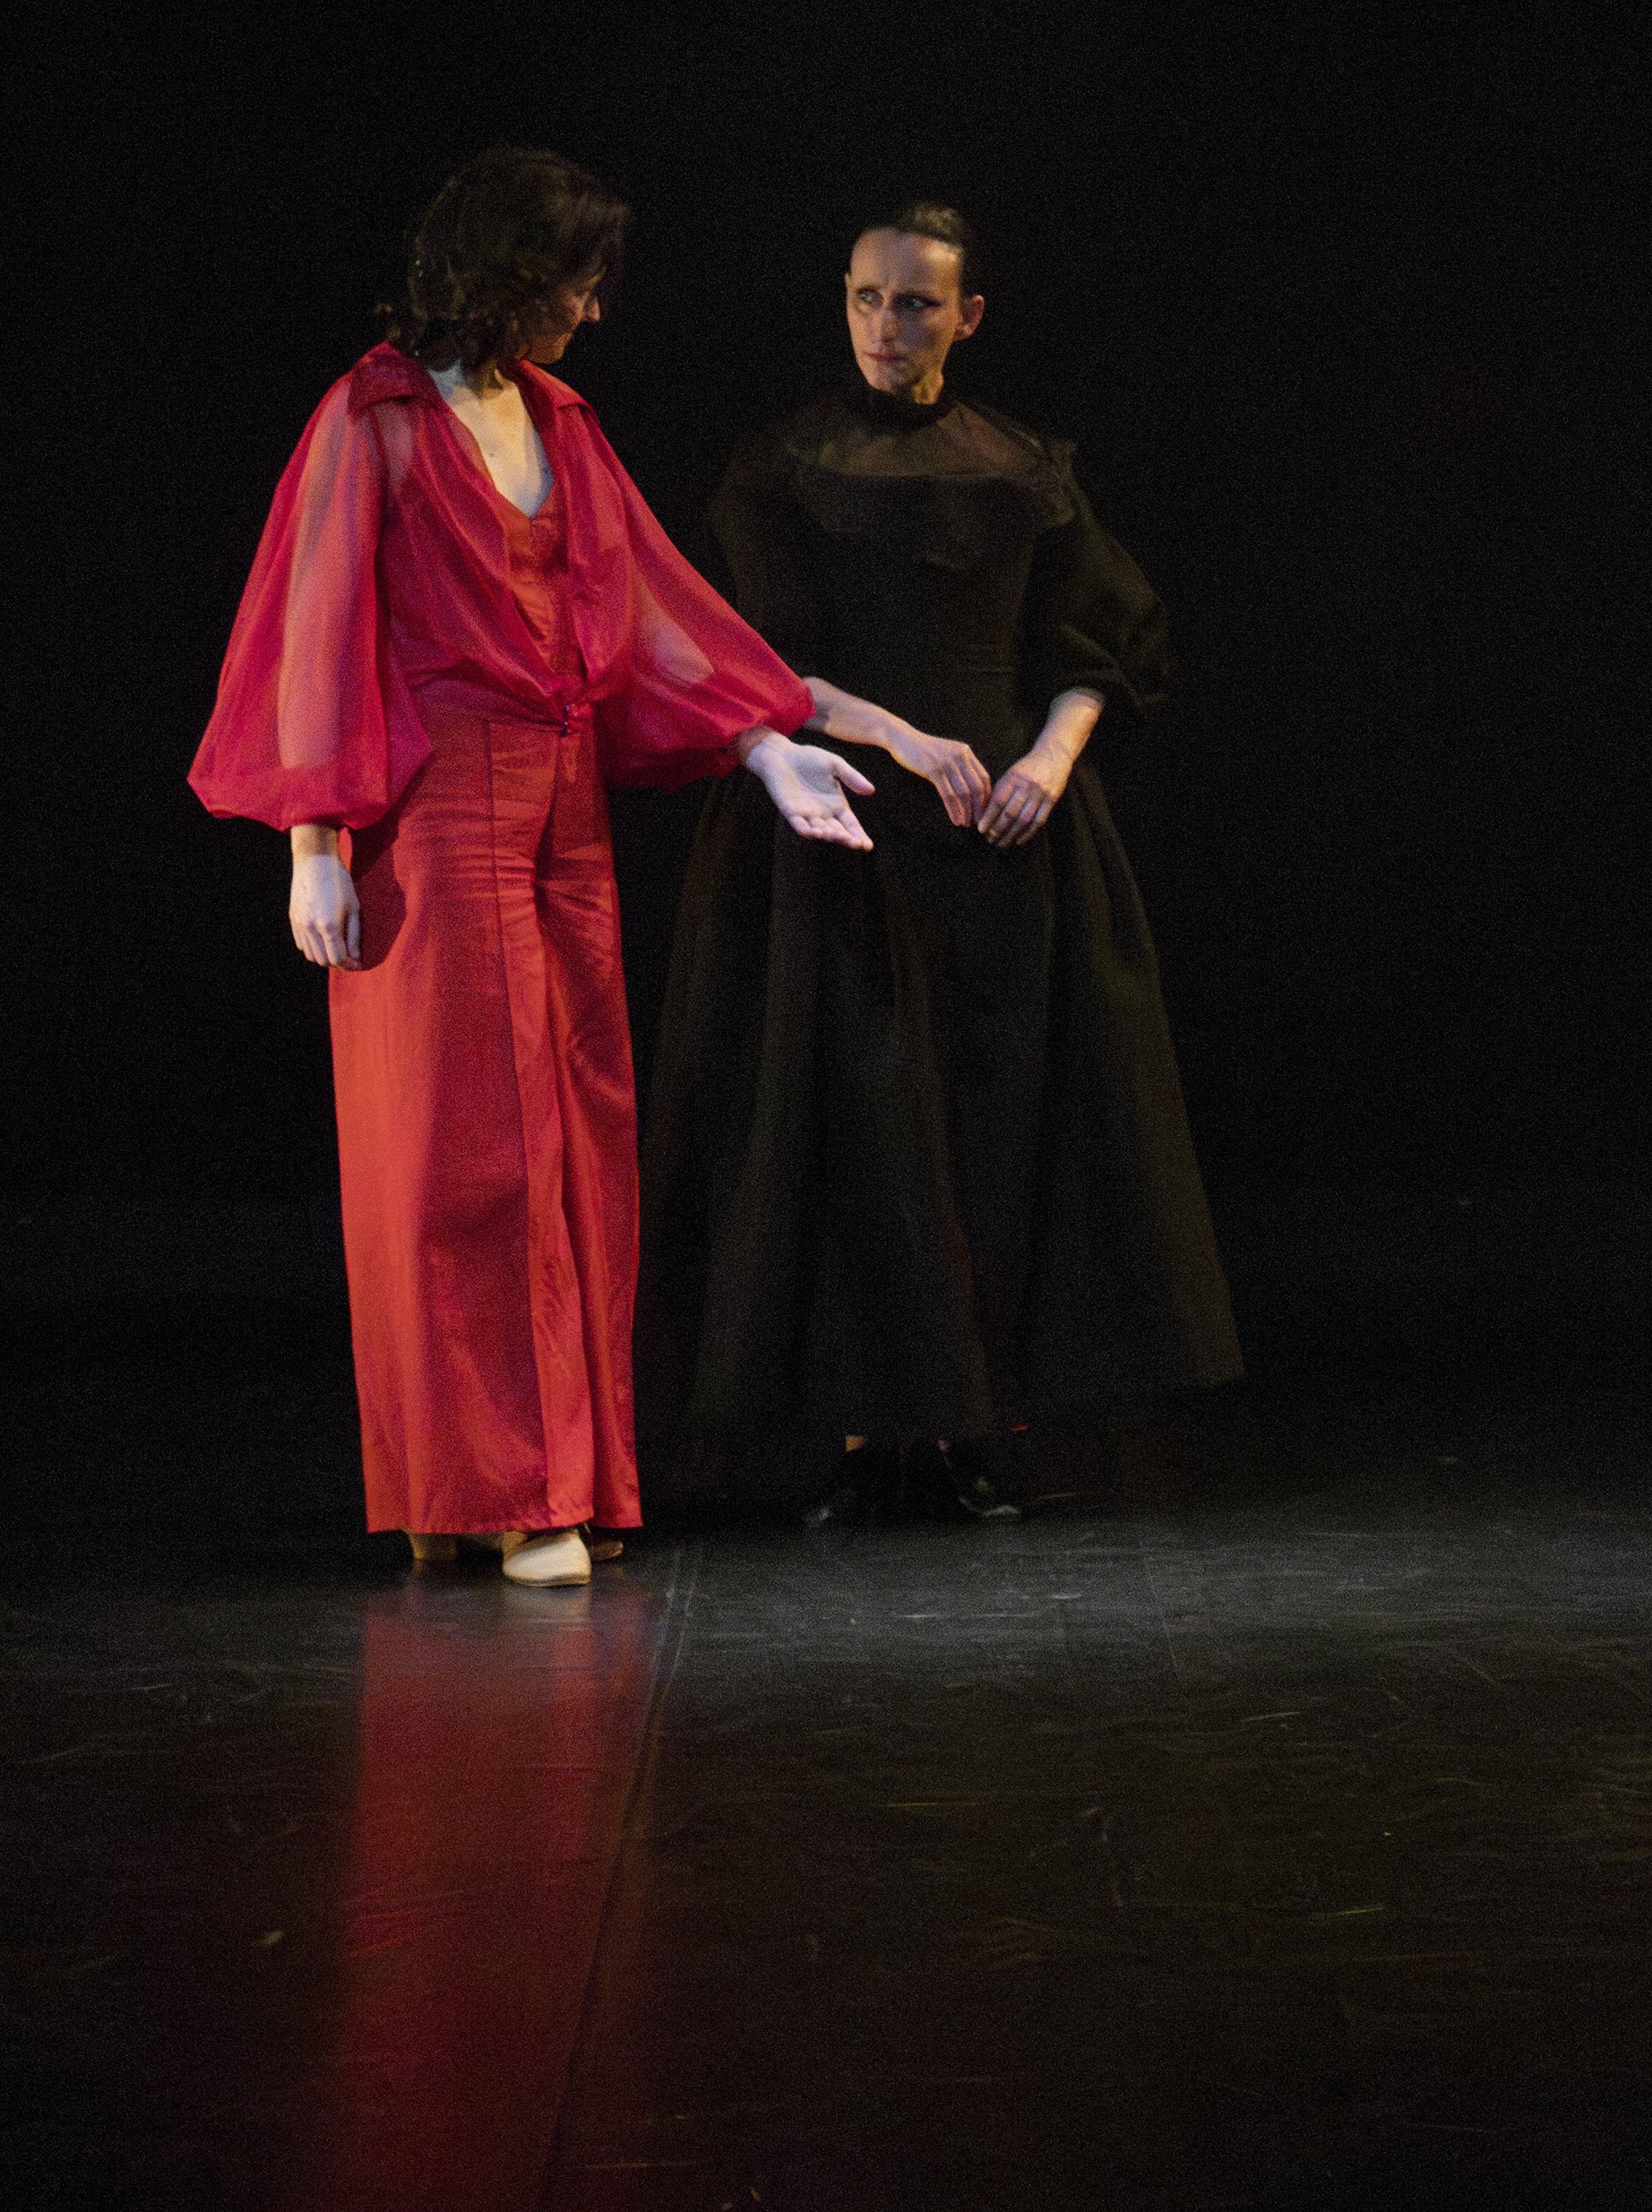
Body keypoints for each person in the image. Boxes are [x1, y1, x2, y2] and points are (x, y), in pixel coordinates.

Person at [189, 149, 874, 1584]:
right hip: (436, 810)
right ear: (507, 273)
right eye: (575, 279)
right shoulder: (376, 419)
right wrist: (314, 844)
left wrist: (764, 747)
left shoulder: (561, 420)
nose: (592, 308)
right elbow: (319, 628)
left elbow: (648, 608)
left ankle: (553, 1476)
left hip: (561, 810)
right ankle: (502, 1491)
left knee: (575, 1134)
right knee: (461, 1153)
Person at [637, 204, 1241, 1528]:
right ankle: (862, 1433)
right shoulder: (783, 466)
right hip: (840, 824)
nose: (885, 324)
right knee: (854, 1127)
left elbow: (1100, 644)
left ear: (966, 318)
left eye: (914, 303)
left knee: (991, 1122)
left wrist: (1050, 762)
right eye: (865, 297)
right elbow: (746, 663)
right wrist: (900, 737)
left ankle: (969, 1426)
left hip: (1000, 842)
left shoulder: (1023, 466)